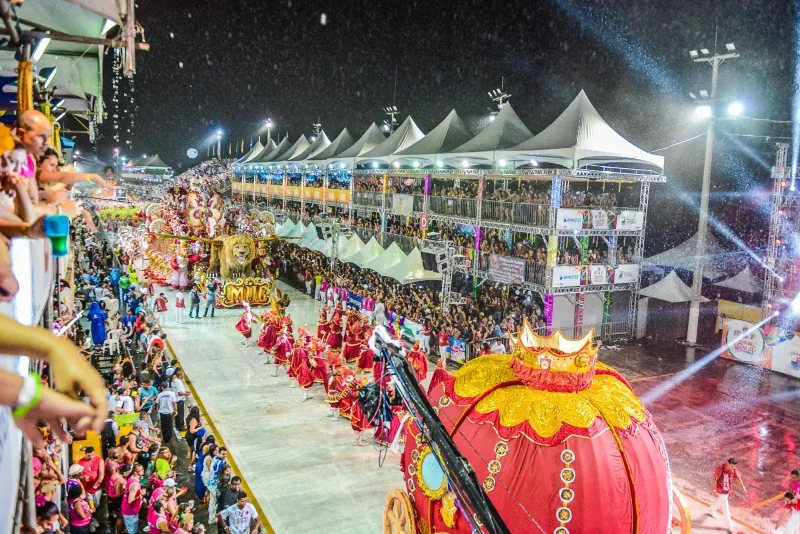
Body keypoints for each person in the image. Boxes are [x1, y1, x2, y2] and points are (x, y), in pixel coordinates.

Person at [708, 458, 743, 532]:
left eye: (734, 466)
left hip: (727, 490)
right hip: (720, 490)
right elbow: (715, 479)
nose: (733, 468)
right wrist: (714, 489)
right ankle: (730, 526)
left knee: (719, 501)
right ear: (727, 463)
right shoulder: (720, 468)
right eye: (732, 466)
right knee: (725, 508)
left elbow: (737, 477)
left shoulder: (733, 469)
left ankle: (711, 510)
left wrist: (743, 486)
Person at [77, 446, 104, 510]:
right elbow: (78, 476)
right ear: (85, 454)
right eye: (89, 455)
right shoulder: (80, 462)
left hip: (97, 487)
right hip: (87, 488)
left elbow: (101, 473)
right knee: (90, 504)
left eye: (92, 455)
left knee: (97, 503)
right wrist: (82, 477)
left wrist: (99, 482)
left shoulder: (99, 460)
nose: (91, 457)